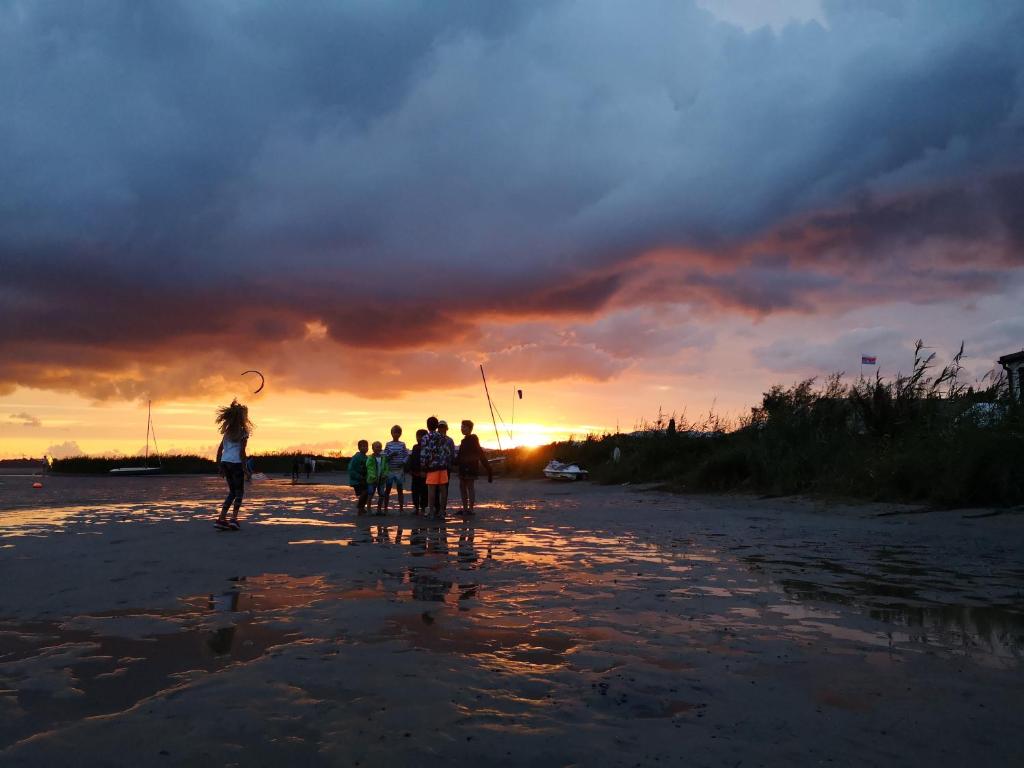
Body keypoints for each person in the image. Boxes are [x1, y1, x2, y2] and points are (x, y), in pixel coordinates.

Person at [214, 400, 253, 531]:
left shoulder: (227, 432)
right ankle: (234, 519)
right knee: (239, 492)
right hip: (236, 463)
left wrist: (219, 466)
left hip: (225, 462)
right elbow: (242, 452)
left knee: (232, 492)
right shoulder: (243, 432)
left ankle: (221, 518)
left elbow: (220, 450)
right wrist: (245, 469)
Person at [457, 419, 492, 515]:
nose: (462, 429)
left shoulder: (473, 440)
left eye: (464, 427)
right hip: (463, 468)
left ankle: (471, 509)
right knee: (462, 487)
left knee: (469, 487)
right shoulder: (463, 441)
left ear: (469, 428)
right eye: (461, 427)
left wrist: (488, 469)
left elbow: (481, 454)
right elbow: (459, 456)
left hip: (470, 468)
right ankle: (465, 509)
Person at [420, 416, 453, 518]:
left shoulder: (426, 438)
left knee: (432, 490)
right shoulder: (443, 437)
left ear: (428, 425)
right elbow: (448, 452)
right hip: (443, 467)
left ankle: (431, 512)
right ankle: (442, 511)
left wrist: (423, 466)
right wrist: (447, 463)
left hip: (432, 467)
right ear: (437, 425)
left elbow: (424, 453)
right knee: (443, 490)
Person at [382, 425, 409, 514]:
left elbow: (406, 455)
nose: (396, 434)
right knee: (388, 489)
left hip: (399, 470)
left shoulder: (402, 444)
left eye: (398, 432)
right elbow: (385, 457)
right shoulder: (388, 444)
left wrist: (404, 462)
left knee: (400, 489)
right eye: (394, 432)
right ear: (391, 433)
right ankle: (385, 507)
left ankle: (401, 508)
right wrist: (391, 455)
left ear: (400, 434)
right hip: (390, 470)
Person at [437, 419, 457, 513]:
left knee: (444, 489)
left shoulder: (450, 440)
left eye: (443, 427)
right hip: (435, 468)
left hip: (446, 468)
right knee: (436, 489)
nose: (441, 429)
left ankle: (443, 509)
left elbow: (452, 454)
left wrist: (452, 464)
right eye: (440, 427)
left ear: (446, 428)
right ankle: (437, 508)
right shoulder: (435, 439)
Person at [407, 428, 428, 515]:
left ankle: (423, 508)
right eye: (417, 436)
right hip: (415, 473)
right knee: (415, 491)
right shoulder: (415, 447)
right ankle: (416, 508)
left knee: (424, 492)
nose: (418, 438)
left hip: (424, 474)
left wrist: (425, 471)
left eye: (420, 436)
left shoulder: (427, 447)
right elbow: (412, 459)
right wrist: (410, 470)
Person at [366, 441, 389, 515]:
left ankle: (379, 510)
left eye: (380, 446)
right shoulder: (370, 458)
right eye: (377, 446)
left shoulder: (383, 458)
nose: (378, 448)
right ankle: (368, 509)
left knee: (382, 494)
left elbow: (386, 467)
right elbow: (369, 468)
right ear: (373, 448)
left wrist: (385, 474)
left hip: (381, 480)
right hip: (372, 480)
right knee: (370, 494)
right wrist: (373, 477)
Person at [348, 440, 369, 514]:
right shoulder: (356, 457)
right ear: (359, 448)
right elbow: (350, 469)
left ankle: (362, 507)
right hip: (356, 480)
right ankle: (359, 507)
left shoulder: (367, 458)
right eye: (363, 446)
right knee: (364, 492)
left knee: (368, 492)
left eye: (366, 446)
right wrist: (358, 477)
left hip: (364, 479)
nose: (365, 448)